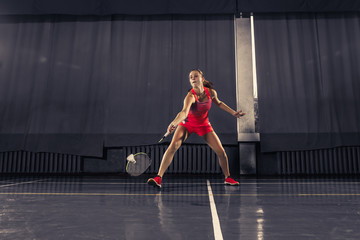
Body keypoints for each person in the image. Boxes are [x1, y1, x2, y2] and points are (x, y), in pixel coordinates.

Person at [147, 69, 246, 188]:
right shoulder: (190, 96)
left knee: (221, 152)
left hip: (204, 125)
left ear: (202, 79)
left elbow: (219, 103)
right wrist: (174, 123)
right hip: (187, 124)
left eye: (195, 76)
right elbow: (183, 112)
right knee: (173, 146)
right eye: (190, 77)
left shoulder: (211, 92)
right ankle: (158, 178)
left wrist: (233, 113)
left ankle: (228, 178)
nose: (193, 78)